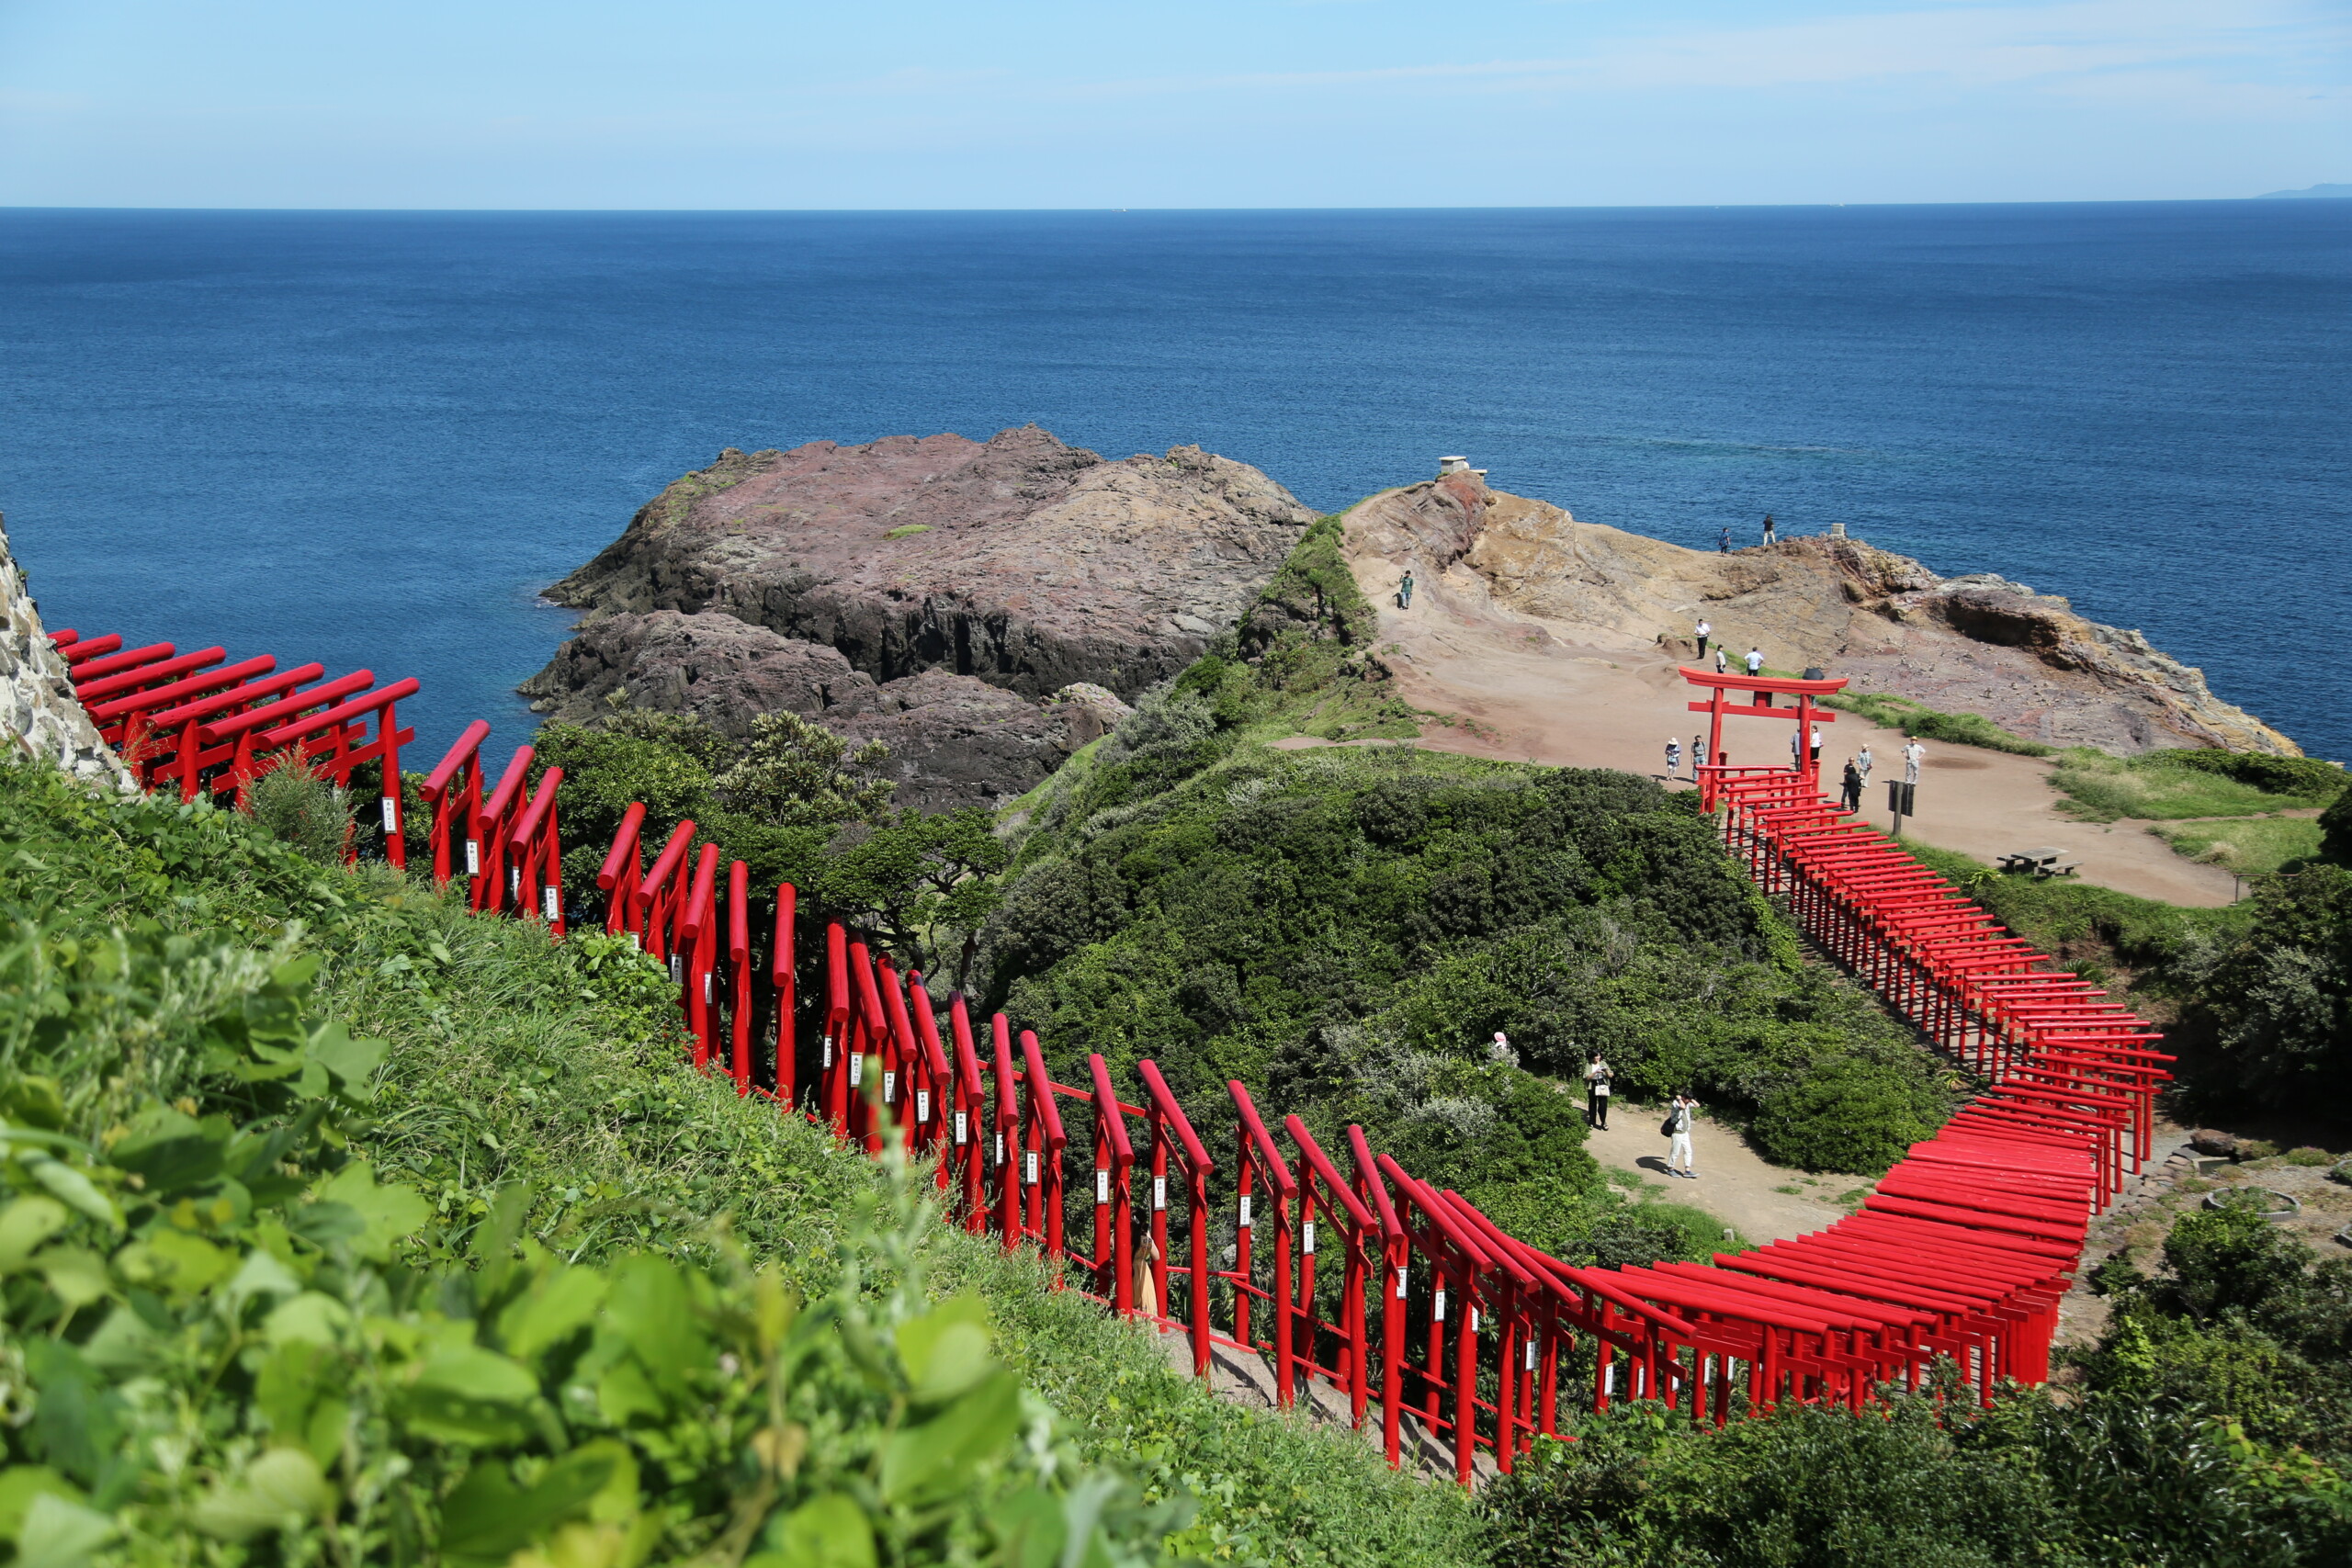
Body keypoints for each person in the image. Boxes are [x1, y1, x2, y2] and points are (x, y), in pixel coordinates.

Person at [1666, 1093, 1700, 1178]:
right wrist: (1680, 1099)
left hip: (1685, 1132)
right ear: (1683, 1097)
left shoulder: (1688, 1103)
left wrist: (1691, 1099)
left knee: (1688, 1150)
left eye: (1689, 1099)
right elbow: (1682, 1107)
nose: (1688, 1101)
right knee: (1675, 1151)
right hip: (1677, 1131)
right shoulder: (1676, 1102)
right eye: (1687, 1099)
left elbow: (1697, 1105)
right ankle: (1670, 1168)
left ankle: (1687, 1171)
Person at [1583, 1056, 1613, 1130]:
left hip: (1602, 1084)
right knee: (1592, 1104)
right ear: (1592, 1057)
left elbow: (1610, 1075)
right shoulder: (1588, 1065)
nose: (1597, 1058)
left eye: (1598, 1056)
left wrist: (1605, 1071)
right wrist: (1596, 1072)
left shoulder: (1603, 1063)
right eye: (1595, 1056)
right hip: (1592, 1085)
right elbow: (1587, 1077)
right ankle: (1591, 1122)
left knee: (1603, 1104)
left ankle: (1603, 1122)